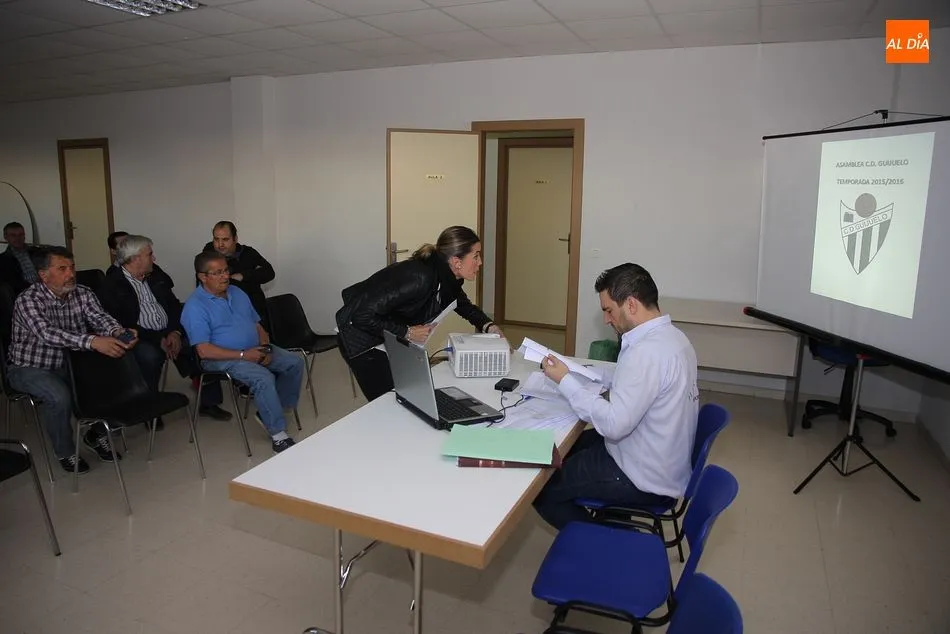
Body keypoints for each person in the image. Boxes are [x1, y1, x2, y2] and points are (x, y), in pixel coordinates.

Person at [532, 263, 700, 530]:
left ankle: (612, 542)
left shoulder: (646, 353)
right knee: (569, 447)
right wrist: (585, 372)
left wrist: (564, 380)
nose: (607, 320)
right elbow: (639, 383)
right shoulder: (673, 338)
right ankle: (615, 523)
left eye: (609, 311)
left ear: (631, 304)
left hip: (641, 477)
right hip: (658, 457)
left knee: (542, 489)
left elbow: (614, 424)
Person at [6, 246, 138, 474]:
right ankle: (65, 451)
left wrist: (118, 332)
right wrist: (93, 341)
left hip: (72, 361)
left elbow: (99, 317)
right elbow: (47, 333)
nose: (71, 273)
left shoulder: (83, 292)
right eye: (62, 268)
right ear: (43, 274)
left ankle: (95, 435)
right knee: (58, 396)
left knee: (111, 378)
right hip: (30, 367)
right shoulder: (28, 300)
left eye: (72, 267)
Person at [335, 225, 504, 402]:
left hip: (386, 333)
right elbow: (361, 316)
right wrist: (407, 332)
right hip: (359, 336)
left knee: (406, 393)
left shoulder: (446, 279)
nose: (480, 262)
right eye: (476, 256)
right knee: (387, 401)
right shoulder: (419, 277)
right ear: (456, 262)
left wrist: (489, 326)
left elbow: (463, 305)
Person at [98, 235, 232, 427]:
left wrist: (174, 332)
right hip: (141, 337)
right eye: (150, 254)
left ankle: (209, 402)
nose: (154, 258)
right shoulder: (112, 284)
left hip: (168, 331)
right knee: (149, 357)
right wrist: (157, 338)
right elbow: (120, 323)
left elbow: (174, 305)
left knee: (199, 345)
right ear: (136, 258)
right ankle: (150, 408)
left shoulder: (155, 276)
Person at [181, 250, 302, 454]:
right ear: (202, 277)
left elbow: (257, 325)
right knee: (263, 377)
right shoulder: (195, 307)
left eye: (226, 270)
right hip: (220, 358)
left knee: (294, 363)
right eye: (217, 273)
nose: (225, 276)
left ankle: (271, 411)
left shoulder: (237, 292)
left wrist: (264, 348)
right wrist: (244, 356)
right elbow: (203, 351)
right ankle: (278, 435)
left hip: (254, 349)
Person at [201, 221, 274, 332]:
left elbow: (269, 272)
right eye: (216, 239)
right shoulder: (207, 256)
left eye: (225, 240)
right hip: (222, 315)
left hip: (253, 311)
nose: (220, 244)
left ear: (235, 239)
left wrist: (243, 275)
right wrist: (243, 279)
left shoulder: (248, 253)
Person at [106, 230, 174, 289]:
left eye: (130, 243)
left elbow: (168, 283)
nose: (127, 246)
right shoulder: (112, 274)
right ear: (113, 251)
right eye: (122, 245)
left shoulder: (149, 265)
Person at [0, 221, 39, 295]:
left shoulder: (36, 252)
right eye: (13, 235)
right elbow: (12, 284)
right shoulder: (3, 260)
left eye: (21, 235)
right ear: (6, 237)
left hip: (46, 287)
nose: (18, 238)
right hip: (24, 293)